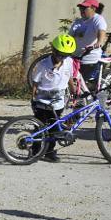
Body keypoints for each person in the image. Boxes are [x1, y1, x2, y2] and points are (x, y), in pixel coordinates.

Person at [28, 34, 77, 163]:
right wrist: (34, 99)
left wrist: (73, 90)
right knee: (40, 127)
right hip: (42, 101)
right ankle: (35, 151)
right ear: (53, 50)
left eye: (65, 55)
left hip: (58, 102)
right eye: (60, 54)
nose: (62, 57)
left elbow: (69, 77)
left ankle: (49, 152)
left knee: (55, 128)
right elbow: (35, 83)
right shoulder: (43, 65)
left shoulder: (69, 62)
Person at [70, 0, 108, 88]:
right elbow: (69, 36)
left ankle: (87, 99)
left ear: (93, 9)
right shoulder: (78, 22)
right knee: (71, 81)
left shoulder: (97, 19)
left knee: (82, 84)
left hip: (89, 58)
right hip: (74, 57)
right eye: (81, 8)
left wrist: (99, 42)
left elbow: (101, 31)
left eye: (85, 8)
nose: (82, 10)